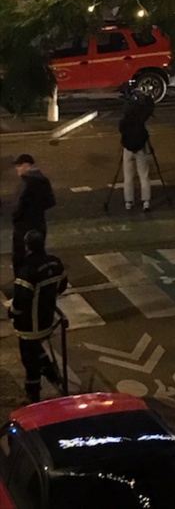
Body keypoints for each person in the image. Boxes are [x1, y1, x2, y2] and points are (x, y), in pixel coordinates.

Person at [9, 230, 67, 403]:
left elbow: (21, 300)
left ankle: (33, 393)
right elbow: (62, 285)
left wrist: (12, 312)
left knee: (29, 358)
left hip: (29, 324)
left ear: (27, 246)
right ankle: (51, 373)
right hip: (47, 319)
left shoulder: (27, 268)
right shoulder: (55, 263)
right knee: (35, 348)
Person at [11, 154, 55, 275]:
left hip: (23, 226)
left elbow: (18, 206)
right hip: (39, 223)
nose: (17, 169)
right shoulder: (43, 179)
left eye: (19, 165)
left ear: (27, 165)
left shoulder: (27, 182)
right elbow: (51, 201)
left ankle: (22, 283)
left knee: (19, 256)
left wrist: (16, 217)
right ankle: (41, 279)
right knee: (38, 253)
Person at [119, 92, 153, 212]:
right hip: (140, 149)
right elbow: (149, 110)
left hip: (127, 149)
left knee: (128, 177)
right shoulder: (140, 119)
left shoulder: (125, 120)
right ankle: (146, 202)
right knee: (144, 175)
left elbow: (121, 131)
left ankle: (128, 202)